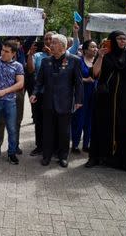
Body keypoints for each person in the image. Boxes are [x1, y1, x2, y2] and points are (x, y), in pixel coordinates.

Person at [86, 31, 126, 172]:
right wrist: (101, 56)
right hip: (105, 99)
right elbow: (95, 74)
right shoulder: (105, 55)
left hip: (125, 101)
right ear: (112, 40)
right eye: (119, 39)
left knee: (123, 128)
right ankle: (96, 157)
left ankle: (123, 161)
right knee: (101, 126)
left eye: (124, 38)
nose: (123, 41)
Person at [30, 34, 83, 168]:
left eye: (54, 43)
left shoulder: (74, 60)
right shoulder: (46, 61)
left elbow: (78, 83)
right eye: (51, 43)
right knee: (48, 131)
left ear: (63, 46)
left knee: (64, 133)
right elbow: (39, 81)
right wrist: (35, 93)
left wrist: (78, 100)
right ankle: (46, 156)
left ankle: (63, 156)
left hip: (65, 103)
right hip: (48, 103)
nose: (50, 45)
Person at [26, 31, 55, 157]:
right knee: (39, 120)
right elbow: (31, 70)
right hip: (39, 93)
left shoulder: (59, 55)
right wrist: (30, 55)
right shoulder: (37, 55)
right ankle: (39, 146)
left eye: (50, 39)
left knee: (51, 121)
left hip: (53, 94)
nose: (48, 41)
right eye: (46, 39)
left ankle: (52, 146)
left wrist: (51, 54)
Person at [71, 40, 97, 153]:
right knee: (79, 120)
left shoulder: (98, 60)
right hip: (82, 94)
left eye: (96, 47)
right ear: (85, 49)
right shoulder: (79, 61)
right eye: (92, 47)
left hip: (94, 95)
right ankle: (75, 145)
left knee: (90, 120)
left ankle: (86, 144)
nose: (95, 49)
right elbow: (72, 77)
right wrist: (85, 80)